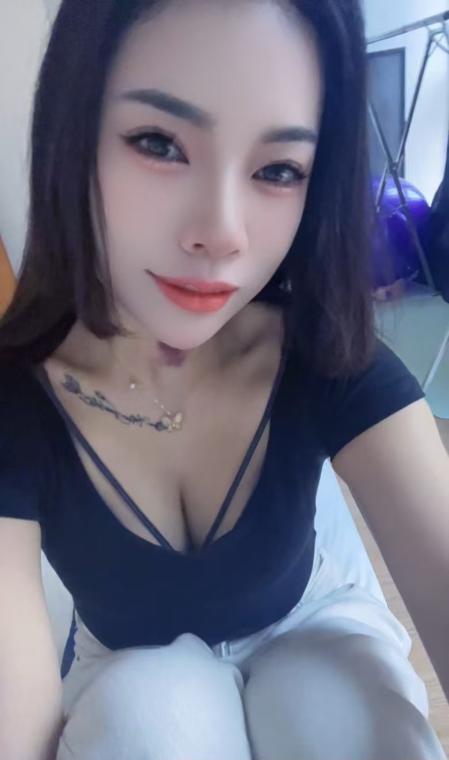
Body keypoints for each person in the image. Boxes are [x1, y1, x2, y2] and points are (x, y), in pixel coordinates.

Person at [0, 1, 448, 758]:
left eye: (278, 170)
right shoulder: (18, 402)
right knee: (150, 720)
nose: (222, 232)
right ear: (72, 135)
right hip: (126, 665)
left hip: (310, 618)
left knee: (337, 714)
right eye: (159, 143)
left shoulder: (321, 349)